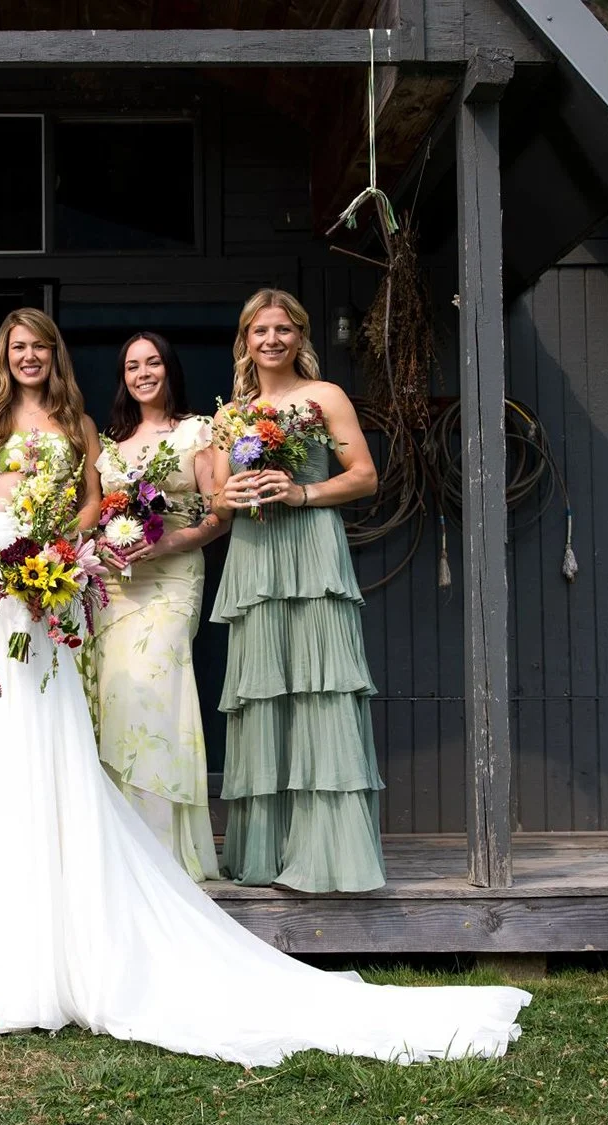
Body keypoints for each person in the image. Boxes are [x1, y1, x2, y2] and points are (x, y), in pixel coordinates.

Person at [0, 378, 529, 1066]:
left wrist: (48, 593)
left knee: (37, 815)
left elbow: (65, 570)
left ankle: (33, 985)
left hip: (30, 674)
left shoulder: (6, 490)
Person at [210, 288, 386, 894]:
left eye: (283, 329)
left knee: (318, 686)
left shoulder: (324, 397)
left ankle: (326, 853)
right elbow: (216, 498)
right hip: (256, 555)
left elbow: (364, 475)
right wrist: (225, 497)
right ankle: (265, 853)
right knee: (264, 694)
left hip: (311, 546)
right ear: (246, 340)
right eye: (260, 331)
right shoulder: (231, 414)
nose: (271, 340)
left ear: (300, 337)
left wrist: (304, 492)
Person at [90, 332, 226, 880]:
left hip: (171, 576)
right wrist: (105, 546)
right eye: (131, 365)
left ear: (169, 369)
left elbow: (220, 516)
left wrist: (165, 543)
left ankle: (163, 845)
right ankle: (123, 845)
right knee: (117, 694)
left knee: (158, 692)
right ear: (123, 377)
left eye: (152, 363)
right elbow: (95, 514)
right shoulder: (109, 445)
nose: (142, 372)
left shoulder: (199, 432)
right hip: (116, 585)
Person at [0, 307, 101, 530]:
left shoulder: (80, 423)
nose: (29, 356)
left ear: (54, 354)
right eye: (19, 347)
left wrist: (63, 547)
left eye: (39, 346)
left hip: (59, 556)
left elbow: (92, 501)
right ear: (5, 354)